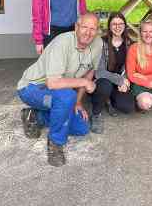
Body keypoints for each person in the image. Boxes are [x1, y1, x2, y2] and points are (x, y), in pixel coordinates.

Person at [17, 13, 103, 167]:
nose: (88, 32)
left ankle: (35, 116)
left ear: (97, 31)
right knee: (66, 97)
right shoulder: (62, 42)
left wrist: (78, 103)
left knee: (81, 127)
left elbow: (90, 71)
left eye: (93, 29)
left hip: (59, 91)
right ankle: (55, 143)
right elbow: (53, 83)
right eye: (84, 27)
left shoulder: (98, 44)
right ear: (76, 27)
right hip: (33, 88)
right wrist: (82, 83)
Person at [92, 12, 135, 134]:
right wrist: (119, 80)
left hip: (119, 81)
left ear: (125, 25)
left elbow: (130, 67)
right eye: (114, 24)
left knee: (127, 107)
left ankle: (109, 99)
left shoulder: (129, 43)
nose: (117, 27)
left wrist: (125, 80)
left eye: (121, 23)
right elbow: (99, 72)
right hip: (104, 80)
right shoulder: (101, 43)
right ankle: (96, 113)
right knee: (105, 86)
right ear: (109, 26)